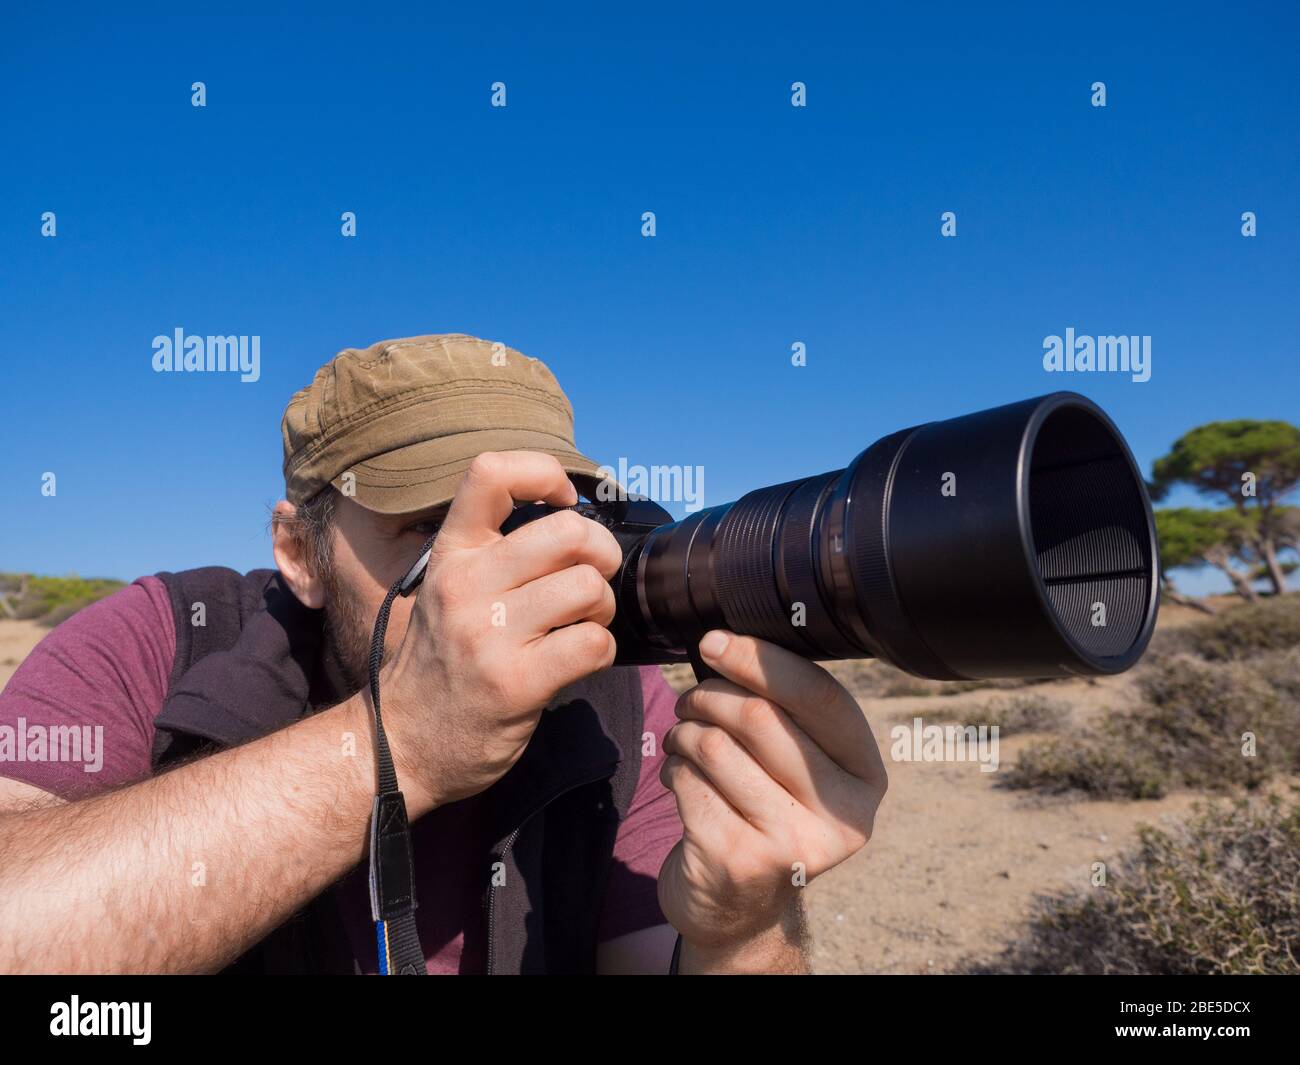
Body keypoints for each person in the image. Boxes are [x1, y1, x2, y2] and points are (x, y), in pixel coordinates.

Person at [0, 333, 887, 974]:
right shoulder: (162, 638)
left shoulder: (619, 706)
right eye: (431, 530)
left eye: (540, 525)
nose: (496, 578)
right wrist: (402, 745)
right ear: (300, 553)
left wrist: (741, 928)